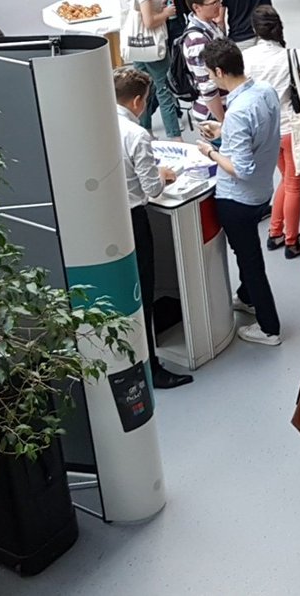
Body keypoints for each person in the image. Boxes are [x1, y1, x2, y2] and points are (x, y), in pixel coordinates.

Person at [196, 39, 284, 344]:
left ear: (220, 70)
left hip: (237, 198)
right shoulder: (265, 91)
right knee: (246, 251)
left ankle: (269, 327)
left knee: (249, 260)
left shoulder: (236, 112)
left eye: (210, 73)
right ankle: (246, 296)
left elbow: (240, 168)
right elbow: (260, 134)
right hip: (263, 189)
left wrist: (210, 152)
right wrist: (225, 134)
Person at [112, 67, 192, 390]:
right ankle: (151, 366)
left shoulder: (97, 123)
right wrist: (164, 175)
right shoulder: (136, 135)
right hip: (134, 218)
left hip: (110, 218)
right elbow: (152, 189)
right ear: (136, 102)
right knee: (143, 289)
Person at [240, 5, 300, 258]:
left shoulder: (246, 58)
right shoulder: (293, 56)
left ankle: (275, 231)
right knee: (294, 185)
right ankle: (291, 240)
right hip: (291, 128)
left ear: (255, 30)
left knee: (286, 180)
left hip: (264, 132)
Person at [116, 0, 181, 139]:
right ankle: (174, 135)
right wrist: (167, 13)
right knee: (164, 89)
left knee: (141, 86)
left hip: (133, 42)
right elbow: (149, 21)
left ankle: (144, 129)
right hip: (152, 44)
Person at [180, 0, 227, 123]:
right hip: (214, 115)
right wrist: (223, 123)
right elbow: (207, 87)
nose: (219, 5)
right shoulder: (197, 41)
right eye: (213, 3)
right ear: (197, 7)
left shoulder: (209, 24)